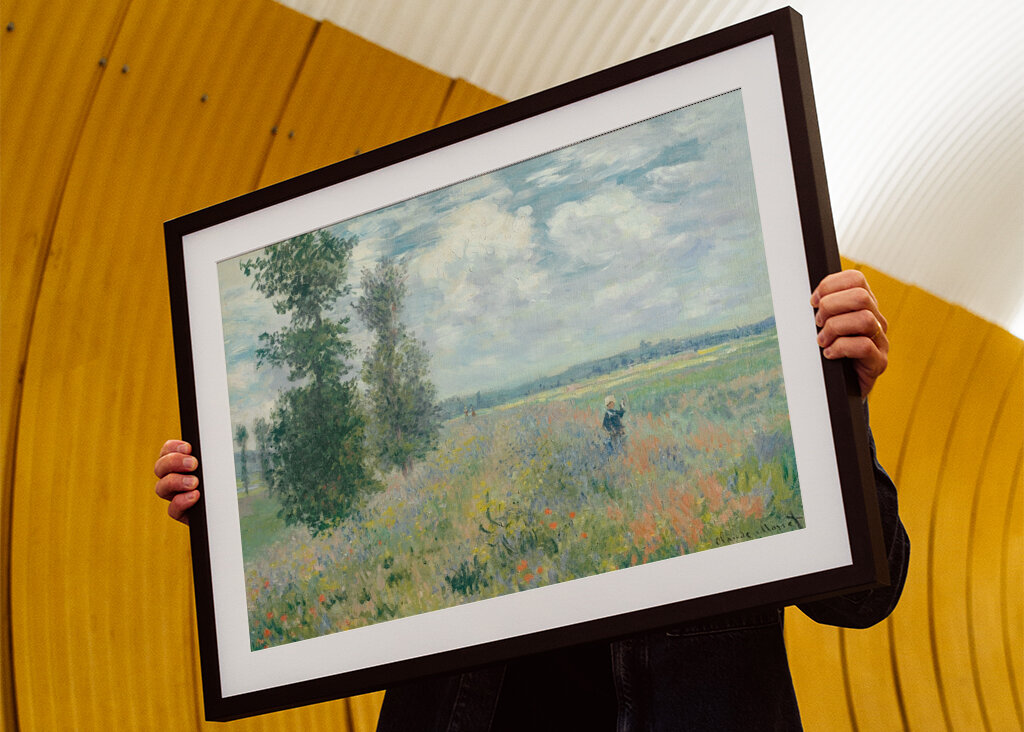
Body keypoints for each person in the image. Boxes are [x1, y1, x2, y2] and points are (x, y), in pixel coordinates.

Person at [154, 270, 908, 730]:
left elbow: (865, 597)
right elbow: (363, 531)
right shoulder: (463, 486)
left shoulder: (756, 421)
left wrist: (838, 405)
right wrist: (233, 512)